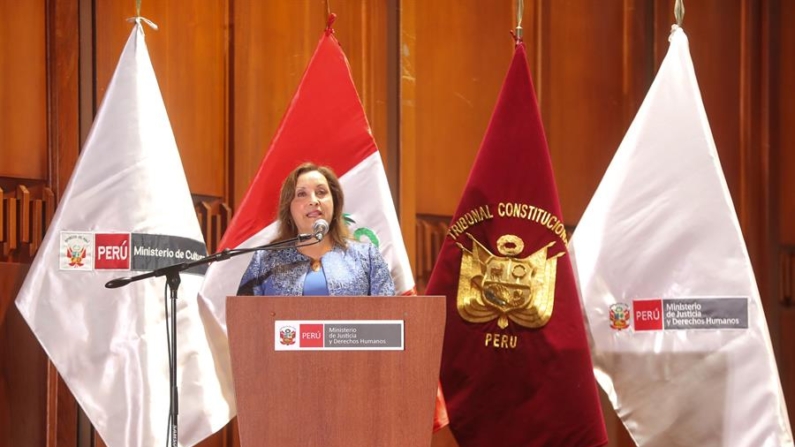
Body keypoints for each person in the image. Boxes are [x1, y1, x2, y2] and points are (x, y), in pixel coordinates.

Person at [237, 162, 396, 296]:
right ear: (289, 208)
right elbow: (244, 321)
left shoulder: (366, 258)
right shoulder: (266, 260)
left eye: (321, 192)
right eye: (301, 194)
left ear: (335, 202)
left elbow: (389, 318)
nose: (313, 200)